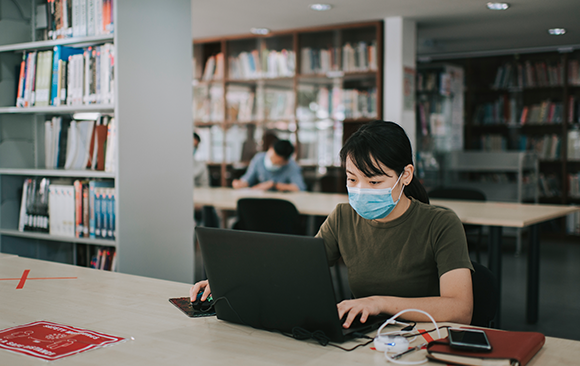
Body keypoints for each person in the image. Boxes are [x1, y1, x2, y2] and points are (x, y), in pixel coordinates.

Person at [191, 120, 473, 326]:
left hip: (422, 340)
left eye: (374, 181)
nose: (361, 190)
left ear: (406, 175)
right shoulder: (343, 217)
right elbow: (292, 268)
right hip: (368, 340)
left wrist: (380, 302)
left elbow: (460, 309)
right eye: (352, 179)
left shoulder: (440, 224)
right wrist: (229, 282)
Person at [231, 139, 306, 192]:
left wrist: (274, 185)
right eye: (272, 157)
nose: (272, 162)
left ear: (285, 161)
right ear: (271, 148)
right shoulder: (259, 159)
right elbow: (248, 179)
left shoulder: (292, 166)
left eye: (277, 161)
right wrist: (240, 184)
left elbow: (300, 188)